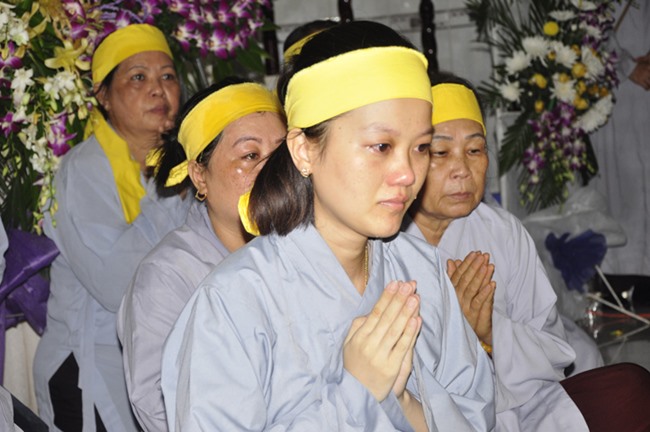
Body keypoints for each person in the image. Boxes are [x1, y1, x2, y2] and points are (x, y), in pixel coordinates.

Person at [161, 20, 495, 431]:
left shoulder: (422, 270)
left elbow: (478, 415)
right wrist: (357, 394)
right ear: (304, 151)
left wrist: (402, 401)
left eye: (422, 147)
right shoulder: (234, 302)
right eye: (381, 146)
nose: (408, 173)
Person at [404, 74, 650, 431]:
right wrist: (456, 331)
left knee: (631, 386)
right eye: (441, 152)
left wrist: (491, 334)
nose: (462, 170)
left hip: (523, 408)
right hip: (435, 420)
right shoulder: (382, 243)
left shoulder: (501, 231)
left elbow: (551, 349)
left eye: (475, 150)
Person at [33, 24, 189, 432]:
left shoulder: (189, 161)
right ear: (103, 96)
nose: (158, 90)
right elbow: (115, 284)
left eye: (167, 76)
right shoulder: (83, 170)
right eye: (138, 77)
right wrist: (167, 190)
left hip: (167, 359)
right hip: (92, 369)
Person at [117, 77, 286, 431]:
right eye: (250, 155)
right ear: (199, 175)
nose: (271, 172)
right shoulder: (168, 276)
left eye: (280, 154)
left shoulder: (309, 246)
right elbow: (158, 406)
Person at [591, 1, 650, 277]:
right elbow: (587, 26)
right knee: (621, 189)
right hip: (617, 89)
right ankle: (623, 278)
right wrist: (627, 67)